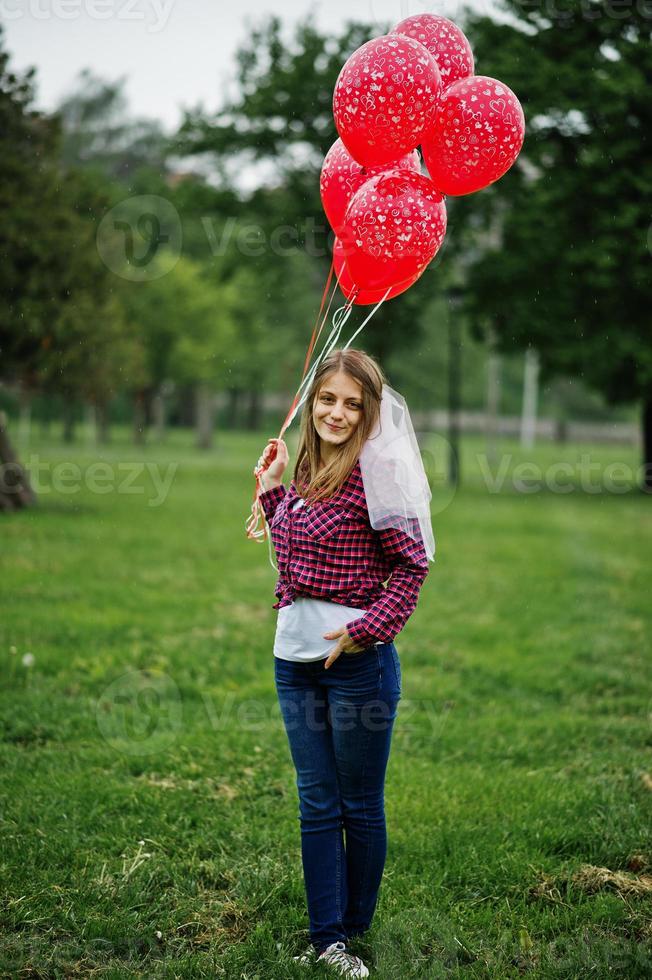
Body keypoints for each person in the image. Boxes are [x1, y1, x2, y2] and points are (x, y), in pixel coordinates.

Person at [257, 348, 433, 978]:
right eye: (328, 399)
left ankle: (349, 932)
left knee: (358, 804)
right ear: (313, 401)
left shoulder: (377, 471)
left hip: (356, 666)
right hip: (293, 660)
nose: (336, 412)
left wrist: (367, 631)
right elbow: (299, 556)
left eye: (352, 403)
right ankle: (324, 935)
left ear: (369, 412)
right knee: (315, 802)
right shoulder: (306, 464)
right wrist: (275, 492)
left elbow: (412, 565)